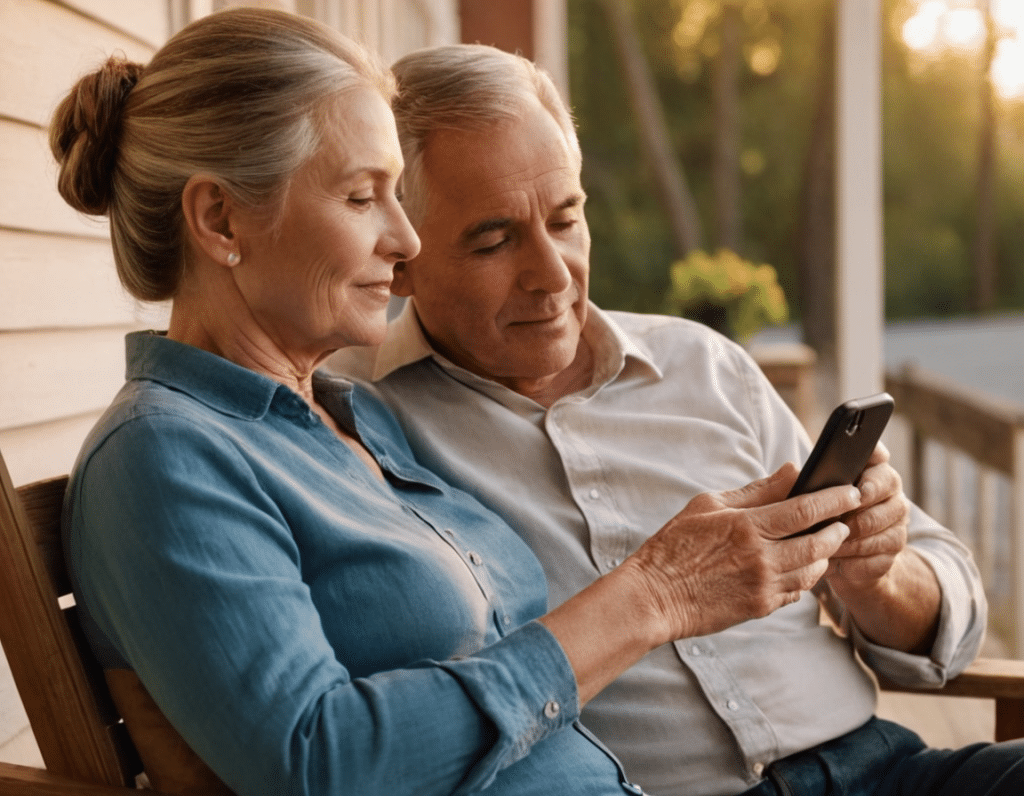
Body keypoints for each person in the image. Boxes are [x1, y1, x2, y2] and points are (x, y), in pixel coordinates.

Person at [53, 9, 865, 796]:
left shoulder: (348, 416)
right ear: (219, 217)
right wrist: (652, 595)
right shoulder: (162, 457)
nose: (405, 241)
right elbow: (322, 763)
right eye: (363, 197)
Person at [327, 43, 1023, 796]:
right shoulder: (361, 431)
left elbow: (951, 612)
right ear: (401, 256)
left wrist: (877, 582)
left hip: (885, 770)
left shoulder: (703, 363)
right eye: (495, 240)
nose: (554, 274)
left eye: (565, 220)